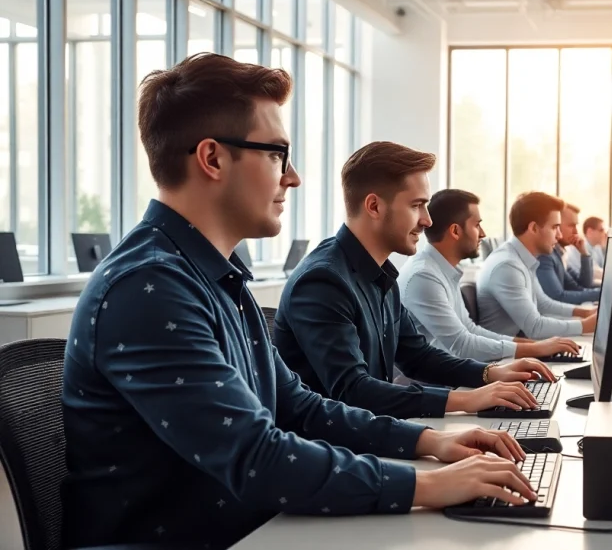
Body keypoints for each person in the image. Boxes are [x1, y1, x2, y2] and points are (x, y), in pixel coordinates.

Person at [61, 54, 534, 550]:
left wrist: (432, 442)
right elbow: (257, 457)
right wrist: (428, 485)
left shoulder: (216, 277)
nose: (293, 178)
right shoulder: (149, 288)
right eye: (277, 155)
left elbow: (300, 406)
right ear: (212, 159)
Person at [274, 142, 555, 421]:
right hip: (336, 444)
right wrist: (469, 399)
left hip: (373, 432)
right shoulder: (323, 281)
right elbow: (354, 391)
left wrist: (490, 374)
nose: (427, 221)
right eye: (417, 205)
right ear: (374, 206)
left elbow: (417, 356)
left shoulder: (380, 274)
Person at [397, 189, 580, 362]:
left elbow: (470, 330)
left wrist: (536, 346)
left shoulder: (440, 269)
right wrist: (535, 349)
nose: (483, 234)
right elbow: (462, 344)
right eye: (477, 225)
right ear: (455, 231)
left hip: (454, 372)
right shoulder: (424, 277)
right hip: (431, 381)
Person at [477, 191, 597, 339]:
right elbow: (534, 327)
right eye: (554, 227)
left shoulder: (522, 258)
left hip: (522, 346)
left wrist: (586, 313)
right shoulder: (507, 266)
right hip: (507, 351)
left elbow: (543, 304)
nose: (559, 235)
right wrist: (585, 325)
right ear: (533, 228)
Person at [536, 203, 601, 305]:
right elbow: (558, 297)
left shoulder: (558, 254)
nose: (576, 231)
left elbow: (582, 285)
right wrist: (606, 293)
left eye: (576, 226)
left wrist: (584, 254)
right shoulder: (546, 255)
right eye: (571, 225)